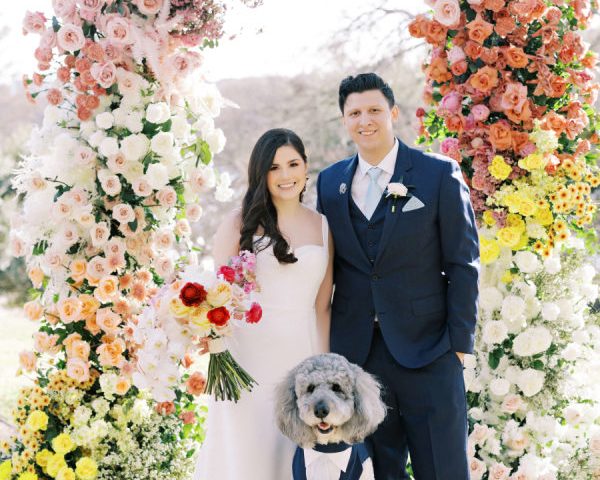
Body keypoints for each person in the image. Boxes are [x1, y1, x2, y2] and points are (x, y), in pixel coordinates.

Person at [316, 73, 480, 480]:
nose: (364, 120)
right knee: (375, 472)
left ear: (393, 113)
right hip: (359, 357)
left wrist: (459, 345)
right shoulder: (329, 182)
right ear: (344, 120)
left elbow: (463, 264)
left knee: (442, 468)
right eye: (354, 113)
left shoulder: (437, 174)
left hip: (430, 349)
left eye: (374, 110)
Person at [194, 128, 334, 480]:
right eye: (274, 168)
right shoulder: (238, 224)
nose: (285, 175)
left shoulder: (323, 226)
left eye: (293, 164)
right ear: (261, 174)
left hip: (301, 360)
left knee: (292, 456)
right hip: (246, 362)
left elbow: (322, 307)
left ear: (305, 167)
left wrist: (325, 369)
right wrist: (215, 345)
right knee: (246, 453)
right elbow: (217, 301)